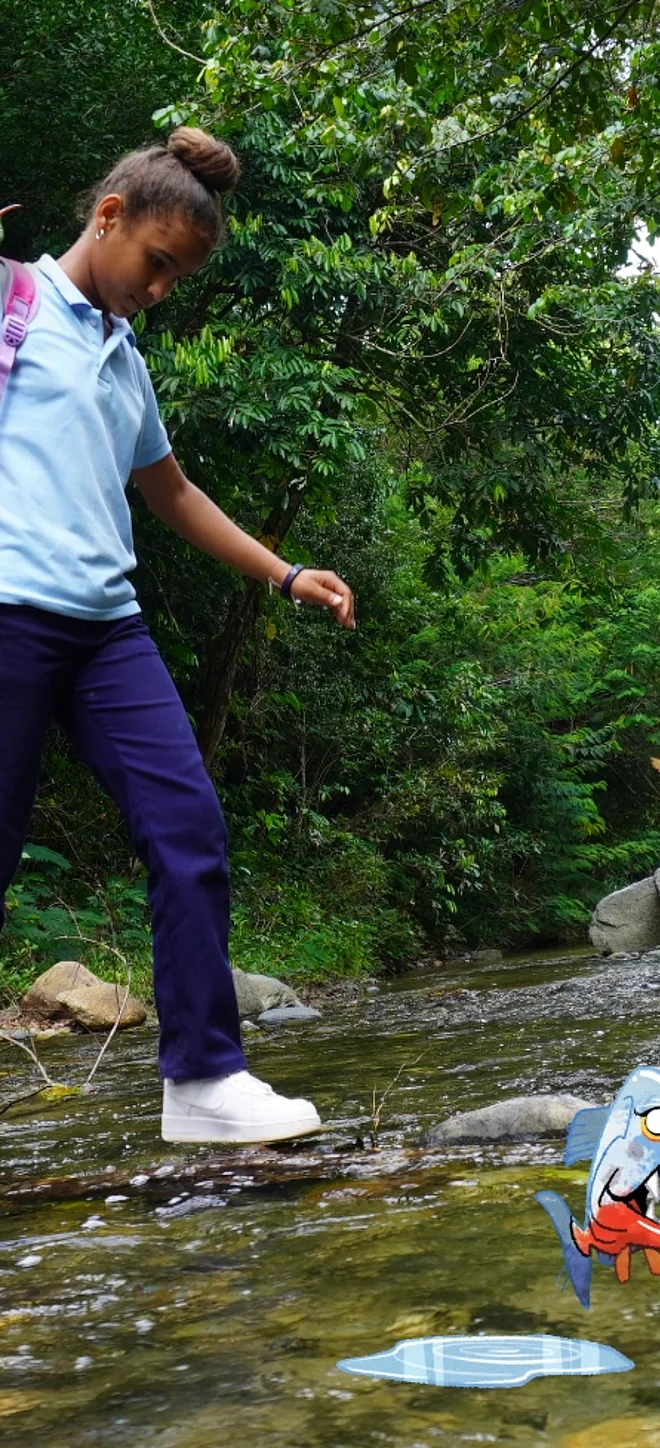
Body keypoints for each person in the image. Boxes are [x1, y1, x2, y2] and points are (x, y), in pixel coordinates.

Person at [0, 127, 354, 1143]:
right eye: (156, 264)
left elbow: (173, 493)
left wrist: (283, 573)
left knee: (189, 830)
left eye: (176, 280)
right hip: (9, 613)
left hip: (107, 631)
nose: (158, 291)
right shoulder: (14, 302)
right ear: (107, 217)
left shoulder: (125, 361)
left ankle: (203, 1080)